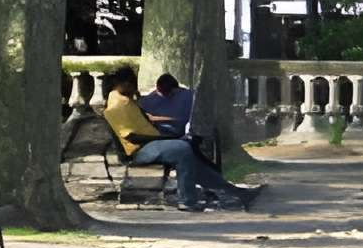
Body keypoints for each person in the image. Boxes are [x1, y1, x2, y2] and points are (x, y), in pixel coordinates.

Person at [101, 69, 255, 211]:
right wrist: (165, 137)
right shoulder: (119, 103)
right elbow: (131, 136)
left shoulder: (125, 100)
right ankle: (187, 201)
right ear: (125, 83)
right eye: (133, 84)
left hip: (150, 143)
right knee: (182, 149)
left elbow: (144, 121)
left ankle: (235, 192)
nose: (135, 88)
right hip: (139, 149)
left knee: (190, 157)